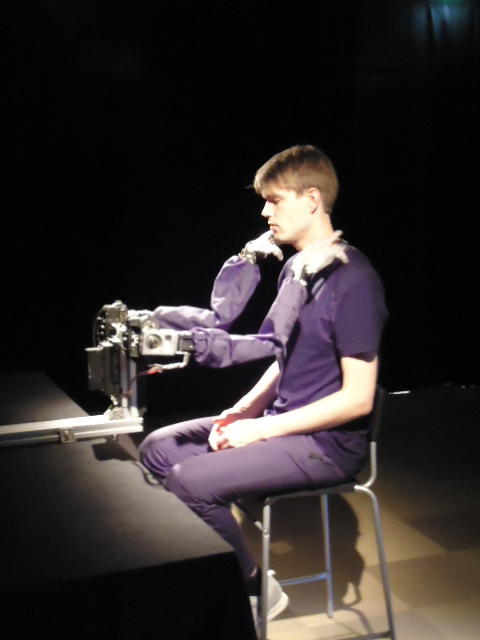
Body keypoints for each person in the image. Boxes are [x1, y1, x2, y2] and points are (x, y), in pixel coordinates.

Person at [139, 144, 388, 623]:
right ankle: (208, 574)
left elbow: (358, 399)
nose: (264, 212)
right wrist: (245, 410)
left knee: (189, 481)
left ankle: (251, 587)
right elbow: (285, 357)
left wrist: (259, 431)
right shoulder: (297, 268)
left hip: (326, 445)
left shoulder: (355, 280)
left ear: (311, 199)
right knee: (159, 448)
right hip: (282, 424)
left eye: (275, 200)